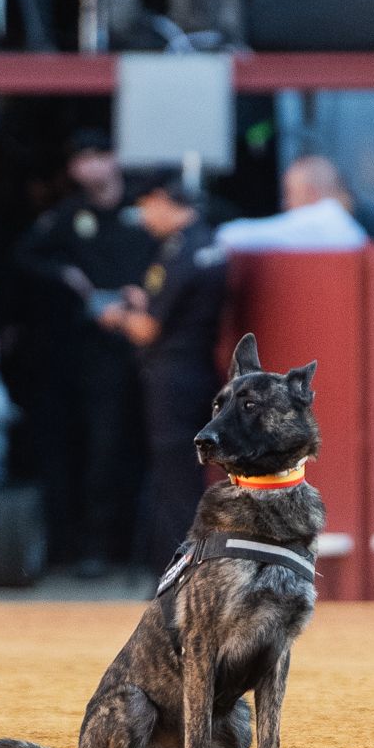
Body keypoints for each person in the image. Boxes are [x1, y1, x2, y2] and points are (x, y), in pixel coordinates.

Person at [15, 128, 156, 578]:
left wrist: (150, 291)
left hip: (152, 339)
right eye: (82, 159)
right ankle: (96, 544)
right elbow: (25, 256)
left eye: (100, 155)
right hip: (96, 349)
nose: (92, 166)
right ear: (73, 169)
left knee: (159, 443)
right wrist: (69, 277)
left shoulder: (145, 205)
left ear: (116, 158)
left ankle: (152, 545)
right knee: (102, 445)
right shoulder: (68, 216)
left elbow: (180, 246)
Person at [101, 173, 228, 576]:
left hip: (172, 376)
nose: (144, 218)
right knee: (184, 477)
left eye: (145, 207)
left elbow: (148, 330)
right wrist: (144, 301)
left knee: (175, 482)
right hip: (198, 369)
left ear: (160, 199)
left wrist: (118, 317)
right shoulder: (207, 243)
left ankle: (180, 573)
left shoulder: (179, 252)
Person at [214, 155, 368, 251]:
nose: (285, 204)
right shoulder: (345, 226)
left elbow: (233, 237)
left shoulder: (326, 218)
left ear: (311, 193)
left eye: (290, 194)